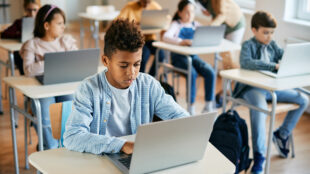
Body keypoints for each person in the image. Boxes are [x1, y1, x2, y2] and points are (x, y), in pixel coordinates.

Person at [63, 19, 189, 155]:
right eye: (123, 65)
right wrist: (122, 145)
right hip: (99, 159)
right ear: (106, 60)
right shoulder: (88, 89)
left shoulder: (148, 85)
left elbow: (182, 118)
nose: (131, 72)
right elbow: (73, 137)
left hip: (137, 158)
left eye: (137, 64)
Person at [233, 11, 309, 174]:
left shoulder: (273, 45)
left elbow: (285, 57)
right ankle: (260, 157)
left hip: (271, 88)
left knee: (303, 99)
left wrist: (293, 61)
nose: (269, 36)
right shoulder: (248, 45)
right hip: (251, 88)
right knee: (261, 111)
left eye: (272, 32)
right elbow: (247, 63)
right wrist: (273, 66)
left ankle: (282, 134)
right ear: (254, 30)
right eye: (265, 32)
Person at [20, 4, 78, 150]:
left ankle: (66, 147)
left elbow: (76, 60)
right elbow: (28, 70)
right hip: (41, 89)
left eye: (63, 23)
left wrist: (50, 62)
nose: (63, 27)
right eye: (59, 23)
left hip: (64, 86)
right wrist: (54, 61)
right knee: (46, 116)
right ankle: (50, 149)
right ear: (46, 25)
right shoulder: (32, 45)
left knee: (71, 111)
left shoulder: (66, 41)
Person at [162, 0, 216, 115]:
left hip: (193, 57)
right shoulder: (176, 24)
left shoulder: (196, 24)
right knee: (192, 73)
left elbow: (205, 35)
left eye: (192, 12)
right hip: (179, 58)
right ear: (180, 12)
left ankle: (208, 105)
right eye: (186, 12)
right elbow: (166, 37)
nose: (189, 15)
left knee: (210, 71)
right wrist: (181, 42)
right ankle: (191, 107)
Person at [117, 0, 164, 77]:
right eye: (144, 2)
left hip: (150, 39)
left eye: (148, 3)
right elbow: (118, 22)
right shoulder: (129, 7)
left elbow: (164, 19)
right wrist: (134, 25)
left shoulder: (155, 6)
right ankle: (138, 78)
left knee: (161, 53)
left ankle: (151, 77)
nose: (146, 4)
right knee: (144, 55)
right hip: (136, 40)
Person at [0, 0, 40, 75]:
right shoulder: (19, 22)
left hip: (37, 50)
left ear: (39, 9)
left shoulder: (42, 23)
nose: (32, 13)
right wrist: (20, 35)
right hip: (21, 52)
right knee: (25, 61)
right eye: (29, 10)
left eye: (35, 10)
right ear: (25, 9)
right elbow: (4, 34)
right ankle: (26, 80)